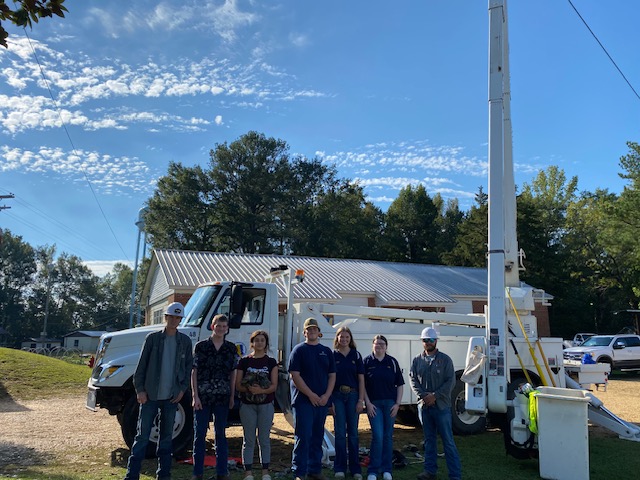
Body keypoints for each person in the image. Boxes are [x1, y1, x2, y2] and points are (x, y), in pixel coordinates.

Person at [124, 302, 193, 480]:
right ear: (166, 317)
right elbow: (141, 367)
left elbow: (187, 368)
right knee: (142, 438)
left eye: (178, 317)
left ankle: (164, 475)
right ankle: (132, 475)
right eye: (172, 317)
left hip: (172, 398)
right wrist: (140, 390)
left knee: (166, 439)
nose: (175, 320)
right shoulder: (152, 339)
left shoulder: (184, 341)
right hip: (150, 396)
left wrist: (182, 390)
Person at [191, 314, 239, 480]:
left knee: (221, 435)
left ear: (227, 329)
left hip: (223, 397)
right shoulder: (201, 346)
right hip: (203, 397)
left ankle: (222, 472)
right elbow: (194, 371)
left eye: (224, 327)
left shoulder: (231, 348)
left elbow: (233, 374)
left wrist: (232, 395)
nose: (221, 329)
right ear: (212, 326)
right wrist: (195, 396)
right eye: (218, 326)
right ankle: (197, 473)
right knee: (199, 435)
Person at [410, 327, 461, 480]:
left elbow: (450, 381)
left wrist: (435, 396)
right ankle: (429, 471)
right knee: (429, 440)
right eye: (425, 340)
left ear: (436, 341)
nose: (428, 342)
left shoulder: (445, 360)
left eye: (431, 340)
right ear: (422, 342)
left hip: (441, 407)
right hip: (424, 407)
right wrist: (423, 396)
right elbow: (413, 380)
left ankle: (455, 475)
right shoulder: (417, 360)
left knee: (448, 442)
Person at [289, 317, 336, 480]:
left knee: (317, 437)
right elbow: (295, 375)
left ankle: (314, 470)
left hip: (321, 403)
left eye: (314, 329)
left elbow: (332, 376)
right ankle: (299, 472)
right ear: (304, 332)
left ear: (319, 332)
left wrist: (326, 396)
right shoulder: (299, 350)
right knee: (303, 437)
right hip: (303, 402)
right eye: (309, 329)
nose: (312, 331)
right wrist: (311, 395)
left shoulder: (326, 351)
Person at [236, 330, 279, 480]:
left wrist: (261, 390)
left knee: (264, 438)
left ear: (266, 343)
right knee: (248, 439)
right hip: (248, 405)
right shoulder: (244, 361)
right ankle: (248, 472)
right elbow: (238, 385)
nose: (259, 343)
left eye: (262, 340)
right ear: (252, 343)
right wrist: (249, 389)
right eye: (257, 340)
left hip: (266, 404)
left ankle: (265, 471)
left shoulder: (271, 362)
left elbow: (274, 386)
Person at [363, 335, 404, 480]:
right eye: (376, 343)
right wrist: (367, 403)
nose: (379, 346)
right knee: (378, 436)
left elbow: (400, 384)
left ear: (386, 346)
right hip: (374, 405)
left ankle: (387, 469)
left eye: (382, 344)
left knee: (387, 437)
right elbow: (363, 386)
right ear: (372, 345)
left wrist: (397, 404)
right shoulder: (367, 361)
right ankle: (373, 471)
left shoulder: (392, 362)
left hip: (390, 405)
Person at [331, 327, 365, 480]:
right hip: (337, 396)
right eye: (341, 336)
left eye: (347, 337)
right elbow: (329, 379)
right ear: (337, 338)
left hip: (353, 396)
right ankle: (339, 468)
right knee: (339, 433)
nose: (344, 339)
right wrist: (330, 400)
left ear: (350, 339)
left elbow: (361, 380)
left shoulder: (356, 355)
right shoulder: (332, 356)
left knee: (353, 434)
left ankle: (355, 468)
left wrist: (361, 400)